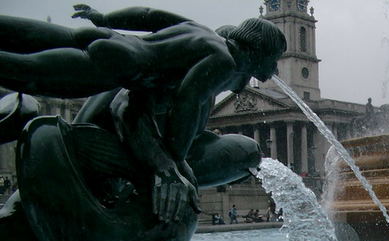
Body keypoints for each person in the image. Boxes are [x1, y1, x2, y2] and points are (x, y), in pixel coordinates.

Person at [0, 5, 286, 219]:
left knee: (26, 36)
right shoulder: (222, 62)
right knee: (21, 71)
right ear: (256, 53)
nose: (273, 69)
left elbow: (150, 15)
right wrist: (173, 163)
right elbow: (188, 101)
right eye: (272, 61)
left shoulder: (200, 34)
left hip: (109, 40)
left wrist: (105, 19)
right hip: (114, 68)